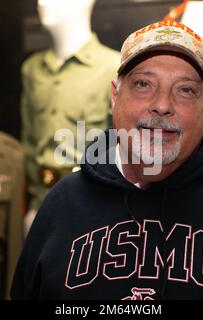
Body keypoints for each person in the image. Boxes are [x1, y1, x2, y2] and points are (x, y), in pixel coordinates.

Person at [11, 20, 203, 300]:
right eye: (143, 84)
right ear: (114, 96)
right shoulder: (63, 204)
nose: (162, 105)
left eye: (185, 90)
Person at [21, 0, 120, 233]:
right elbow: (28, 142)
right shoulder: (32, 69)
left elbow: (121, 149)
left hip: (92, 209)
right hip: (40, 205)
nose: (43, 3)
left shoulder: (113, 67)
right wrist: (33, 205)